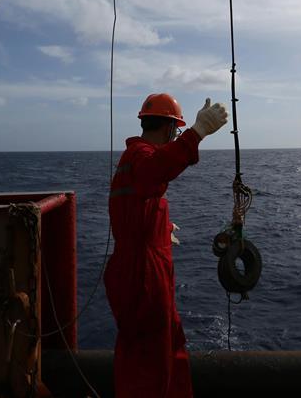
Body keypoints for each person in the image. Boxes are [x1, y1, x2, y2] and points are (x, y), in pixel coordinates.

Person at [104, 93, 228, 398]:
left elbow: (132, 209)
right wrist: (196, 134)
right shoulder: (142, 156)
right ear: (171, 128)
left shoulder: (132, 158)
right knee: (151, 361)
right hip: (144, 275)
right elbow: (154, 172)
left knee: (158, 349)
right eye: (176, 130)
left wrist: (161, 229)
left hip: (137, 266)